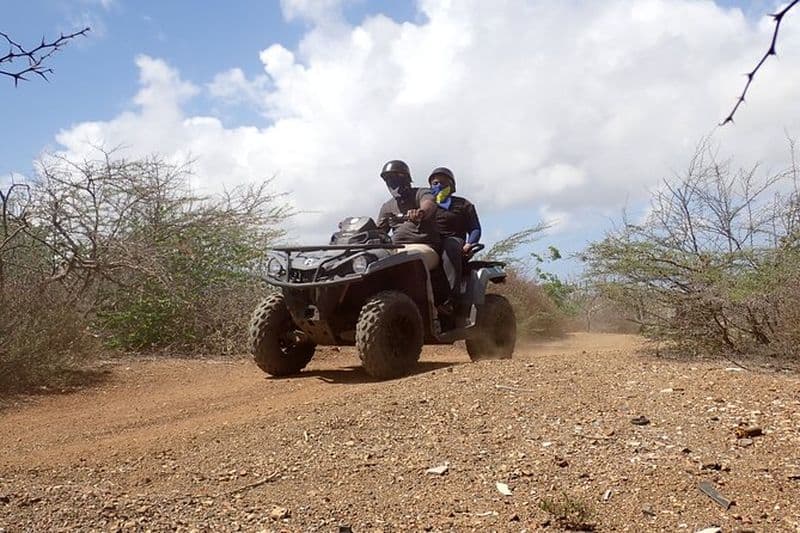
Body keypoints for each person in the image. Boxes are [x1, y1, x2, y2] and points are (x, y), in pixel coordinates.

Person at [427, 167, 482, 304]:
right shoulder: (426, 205)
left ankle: (451, 299)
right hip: (430, 242)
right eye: (435, 183)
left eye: (443, 183)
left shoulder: (463, 204)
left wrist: (469, 244)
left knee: (449, 246)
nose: (438, 186)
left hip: (454, 242)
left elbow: (475, 228)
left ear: (452, 186)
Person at [376, 160, 441, 270]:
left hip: (424, 246)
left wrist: (421, 212)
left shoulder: (421, 193)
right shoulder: (387, 206)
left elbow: (429, 203)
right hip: (393, 249)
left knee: (411, 261)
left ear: (405, 178)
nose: (391, 181)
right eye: (388, 179)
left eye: (394, 177)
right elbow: (379, 232)